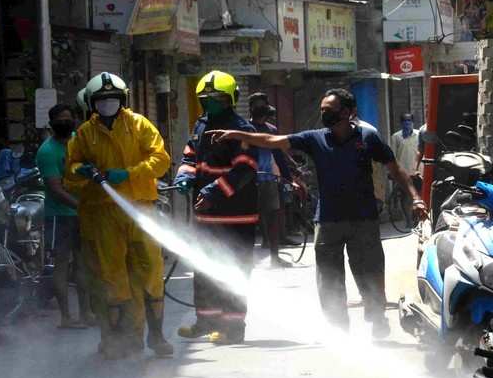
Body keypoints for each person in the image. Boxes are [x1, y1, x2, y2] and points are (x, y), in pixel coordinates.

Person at [208, 88, 428, 337]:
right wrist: (237, 134)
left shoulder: (368, 138)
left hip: (363, 220)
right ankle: (339, 331)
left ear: (348, 112)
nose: (324, 114)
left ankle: (377, 318)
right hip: (327, 222)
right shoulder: (315, 139)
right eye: (322, 110)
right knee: (329, 282)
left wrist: (416, 199)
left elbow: (396, 169)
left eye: (329, 111)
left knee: (370, 273)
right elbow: (273, 142)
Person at [66, 72, 173, 359]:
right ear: (91, 103)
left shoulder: (139, 125)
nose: (108, 104)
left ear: (123, 99)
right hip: (102, 215)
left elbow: (161, 159)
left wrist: (129, 173)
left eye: (113, 99)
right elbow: (70, 170)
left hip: (140, 209)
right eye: (102, 100)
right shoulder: (84, 135)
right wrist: (82, 171)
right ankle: (118, 339)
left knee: (150, 271)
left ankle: (157, 337)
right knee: (111, 278)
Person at [174, 71, 259, 345]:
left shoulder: (242, 130)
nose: (211, 103)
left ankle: (232, 328)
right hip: (206, 215)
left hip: (236, 216)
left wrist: (212, 191)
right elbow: (189, 155)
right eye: (206, 99)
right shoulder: (201, 126)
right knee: (204, 268)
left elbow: (244, 170)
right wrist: (185, 176)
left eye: (217, 98)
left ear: (231, 99)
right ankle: (206, 321)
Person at [36, 104, 95, 328]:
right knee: (61, 264)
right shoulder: (47, 151)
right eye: (60, 119)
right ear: (51, 124)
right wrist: (80, 206)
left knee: (82, 264)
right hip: (59, 216)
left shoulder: (79, 143)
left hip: (82, 213)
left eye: (68, 118)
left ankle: (86, 313)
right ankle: (65, 317)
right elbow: (54, 189)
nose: (65, 122)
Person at [248, 92, 290, 267]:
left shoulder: (271, 130)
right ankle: (245, 259)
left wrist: (289, 178)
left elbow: (279, 156)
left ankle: (275, 258)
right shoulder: (244, 129)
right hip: (247, 182)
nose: (259, 109)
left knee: (273, 218)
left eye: (262, 106)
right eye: (256, 106)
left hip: (268, 181)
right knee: (248, 221)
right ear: (250, 108)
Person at [390, 113, 422, 226]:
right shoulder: (396, 137)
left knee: (418, 196)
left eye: (409, 121)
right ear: (401, 123)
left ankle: (417, 220)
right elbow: (392, 156)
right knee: (405, 198)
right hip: (403, 173)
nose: (407, 123)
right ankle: (408, 220)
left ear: (412, 122)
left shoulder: (419, 135)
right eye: (405, 121)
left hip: (418, 172)